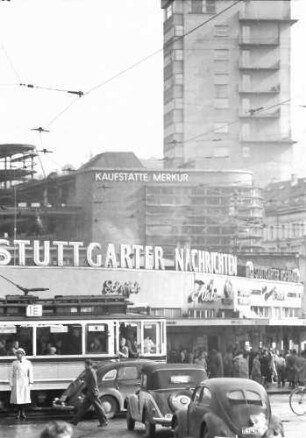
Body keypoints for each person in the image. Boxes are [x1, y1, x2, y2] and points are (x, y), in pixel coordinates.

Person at [70, 359, 108, 427]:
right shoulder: (88, 371)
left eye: (85, 365)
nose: (84, 366)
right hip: (89, 393)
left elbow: (90, 383)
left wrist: (91, 391)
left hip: (92, 393)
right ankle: (74, 421)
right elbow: (83, 378)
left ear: (89, 365)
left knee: (98, 408)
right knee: (84, 408)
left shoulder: (91, 372)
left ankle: (104, 421)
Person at [9, 347, 33, 420]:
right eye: (17, 354)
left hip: (25, 382)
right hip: (17, 382)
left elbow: (30, 373)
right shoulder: (14, 363)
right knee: (17, 398)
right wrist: (11, 382)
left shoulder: (28, 362)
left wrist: (31, 381)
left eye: (20, 353)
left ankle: (23, 412)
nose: (18, 355)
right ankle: (18, 412)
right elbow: (11, 374)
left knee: (24, 398)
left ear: (23, 354)